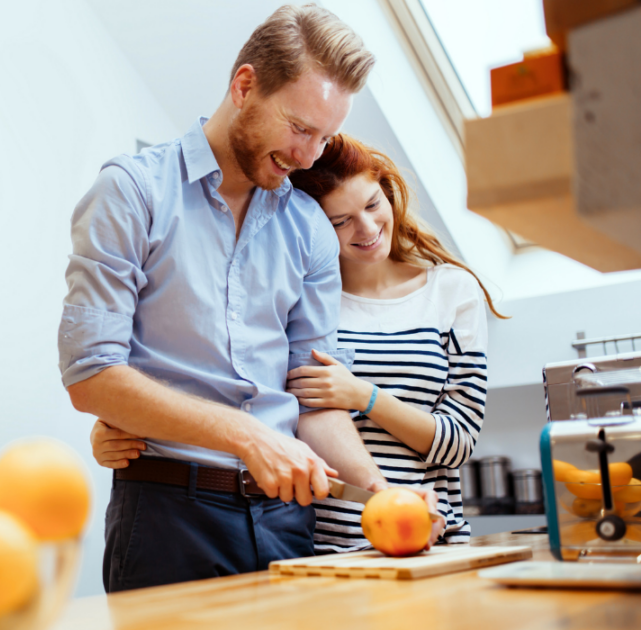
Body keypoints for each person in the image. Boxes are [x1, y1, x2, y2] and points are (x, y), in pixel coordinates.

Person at [59, 5, 439, 593]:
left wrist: (379, 486)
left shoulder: (310, 227)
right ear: (244, 86)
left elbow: (313, 398)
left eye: (326, 136)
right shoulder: (131, 193)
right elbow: (91, 375)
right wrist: (246, 435)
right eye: (300, 128)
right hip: (165, 517)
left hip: (287, 522)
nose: (310, 156)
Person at [92, 134, 501, 553]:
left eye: (373, 204)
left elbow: (459, 442)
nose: (367, 229)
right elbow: (250, 394)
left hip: (422, 527)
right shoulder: (297, 299)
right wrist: (128, 421)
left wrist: (364, 396)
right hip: (320, 539)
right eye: (340, 221)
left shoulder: (452, 291)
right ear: (315, 226)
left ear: (388, 190)